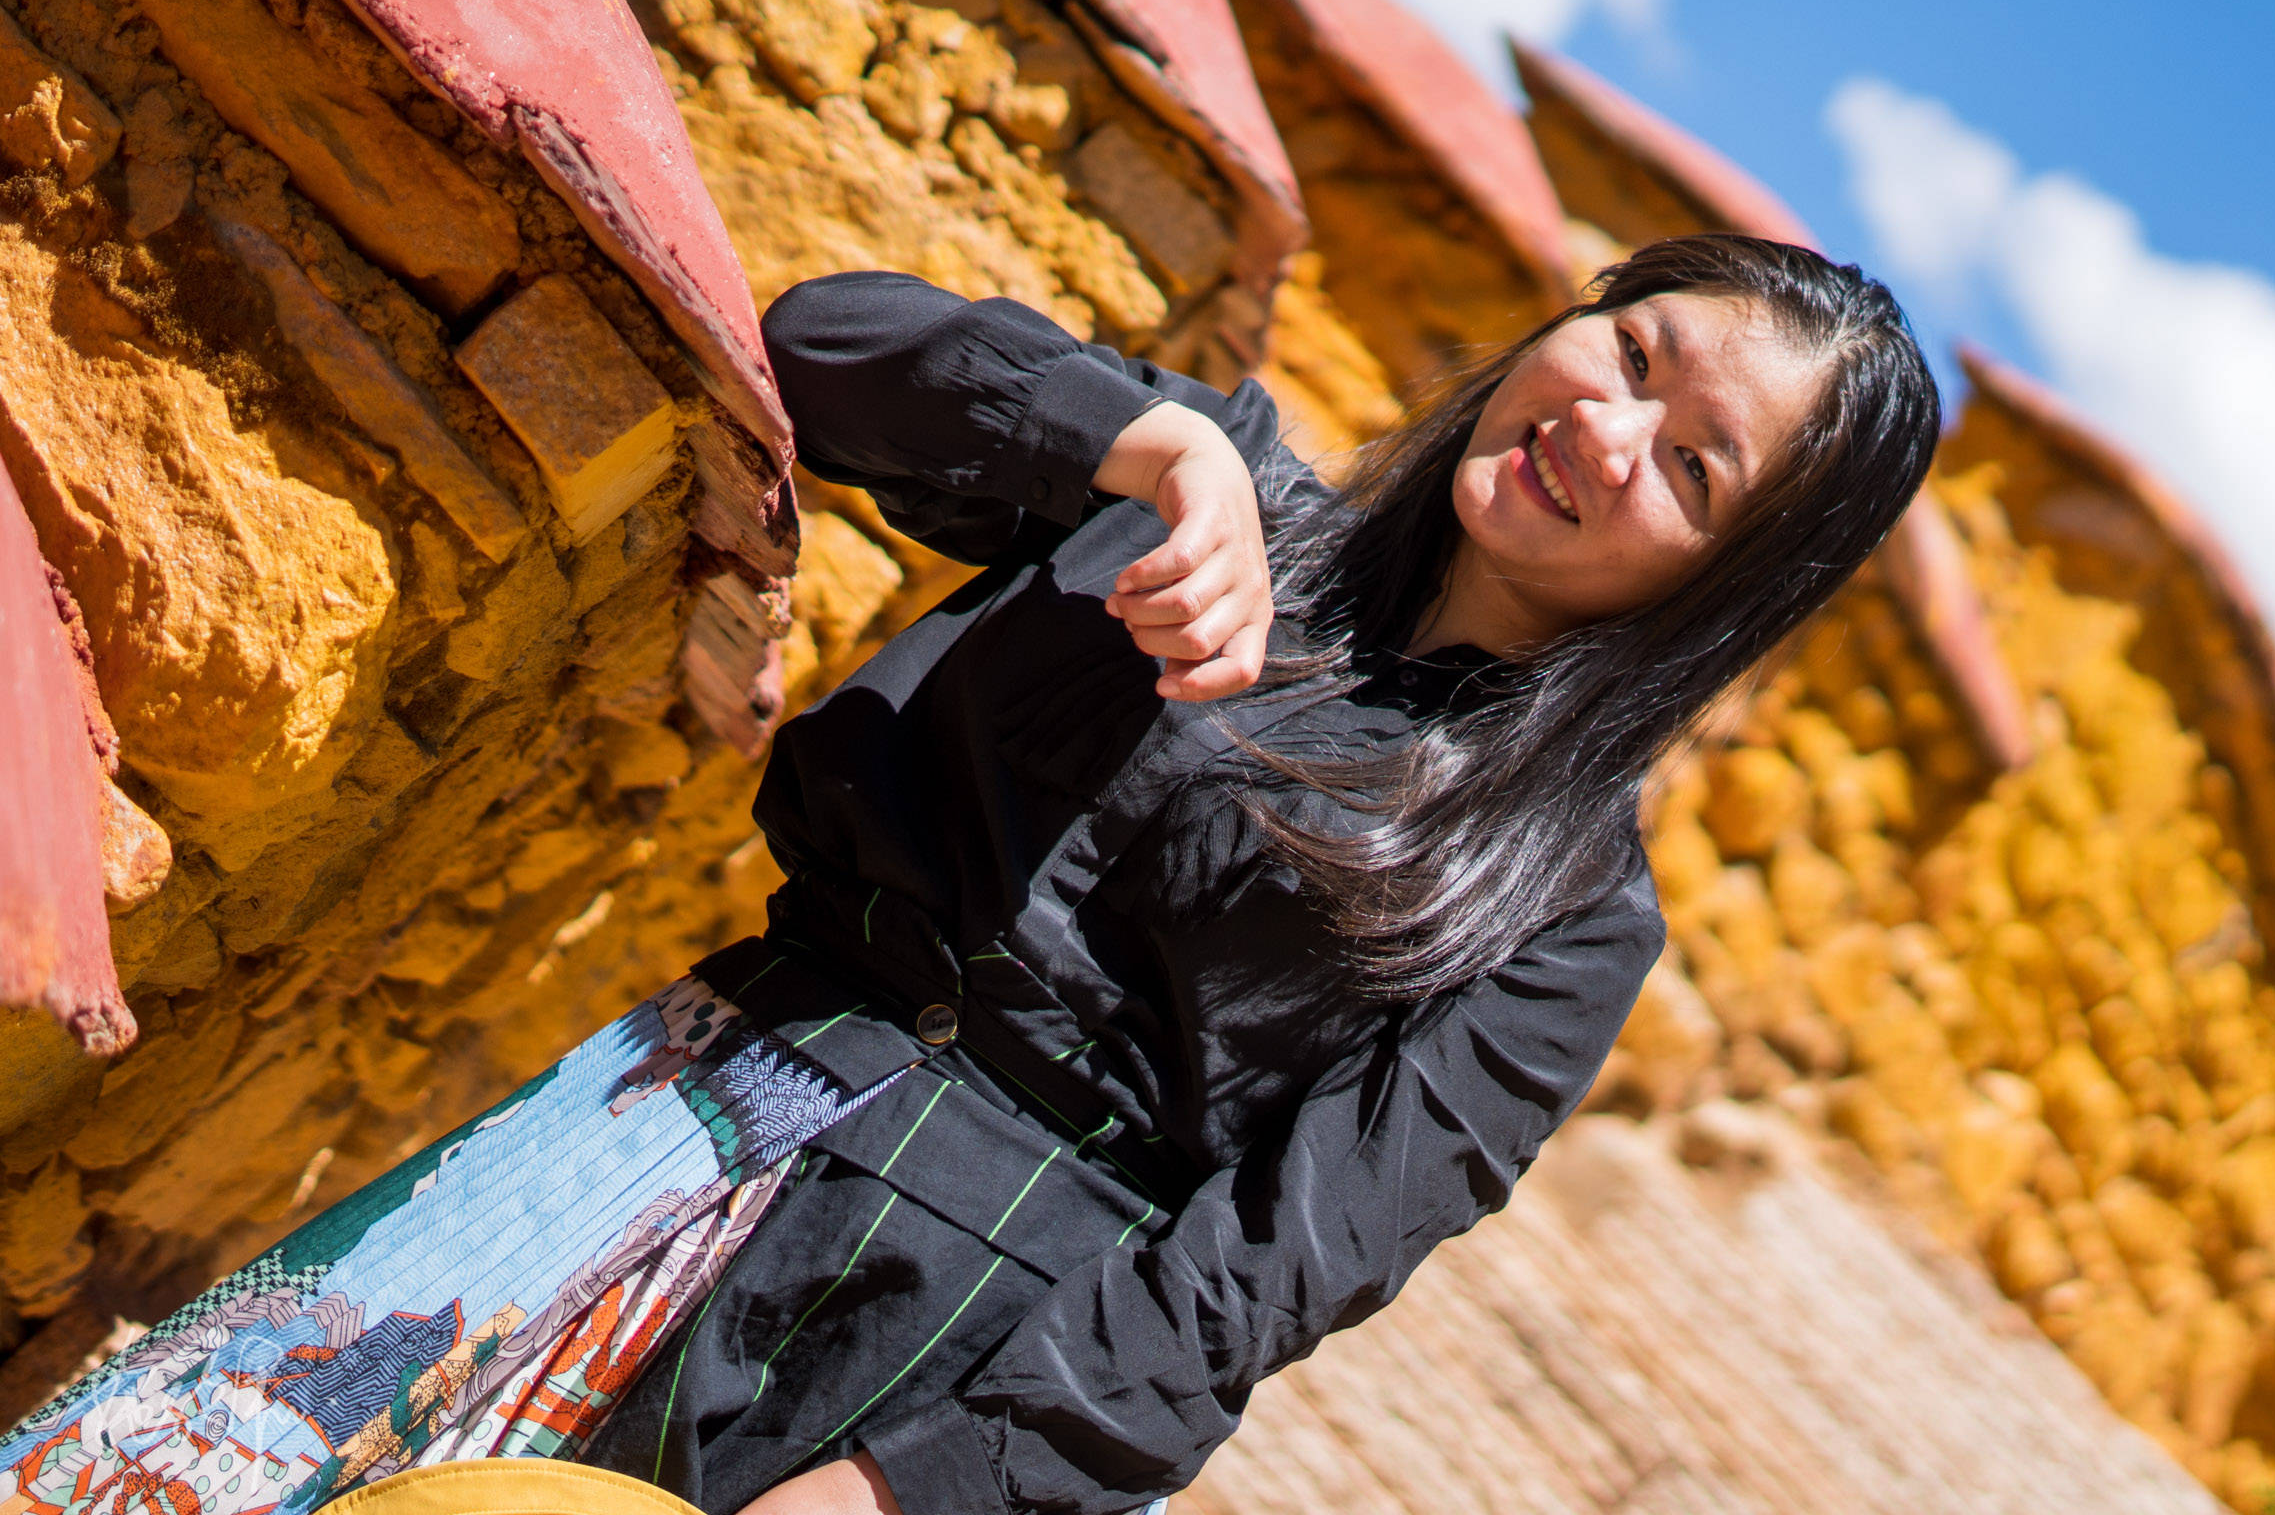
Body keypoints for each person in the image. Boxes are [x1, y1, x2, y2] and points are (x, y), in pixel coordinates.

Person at [0, 235, 1940, 1515]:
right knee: (165, 1473)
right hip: (676, 1101)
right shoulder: (1211, 491)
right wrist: (1150, 441)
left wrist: (919, 1491)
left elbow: (1265, 1270)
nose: (1604, 430)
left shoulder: (1569, 914)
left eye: (1696, 467)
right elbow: (823, 353)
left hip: (942, 1336)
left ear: (1720, 585)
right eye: (1631, 349)